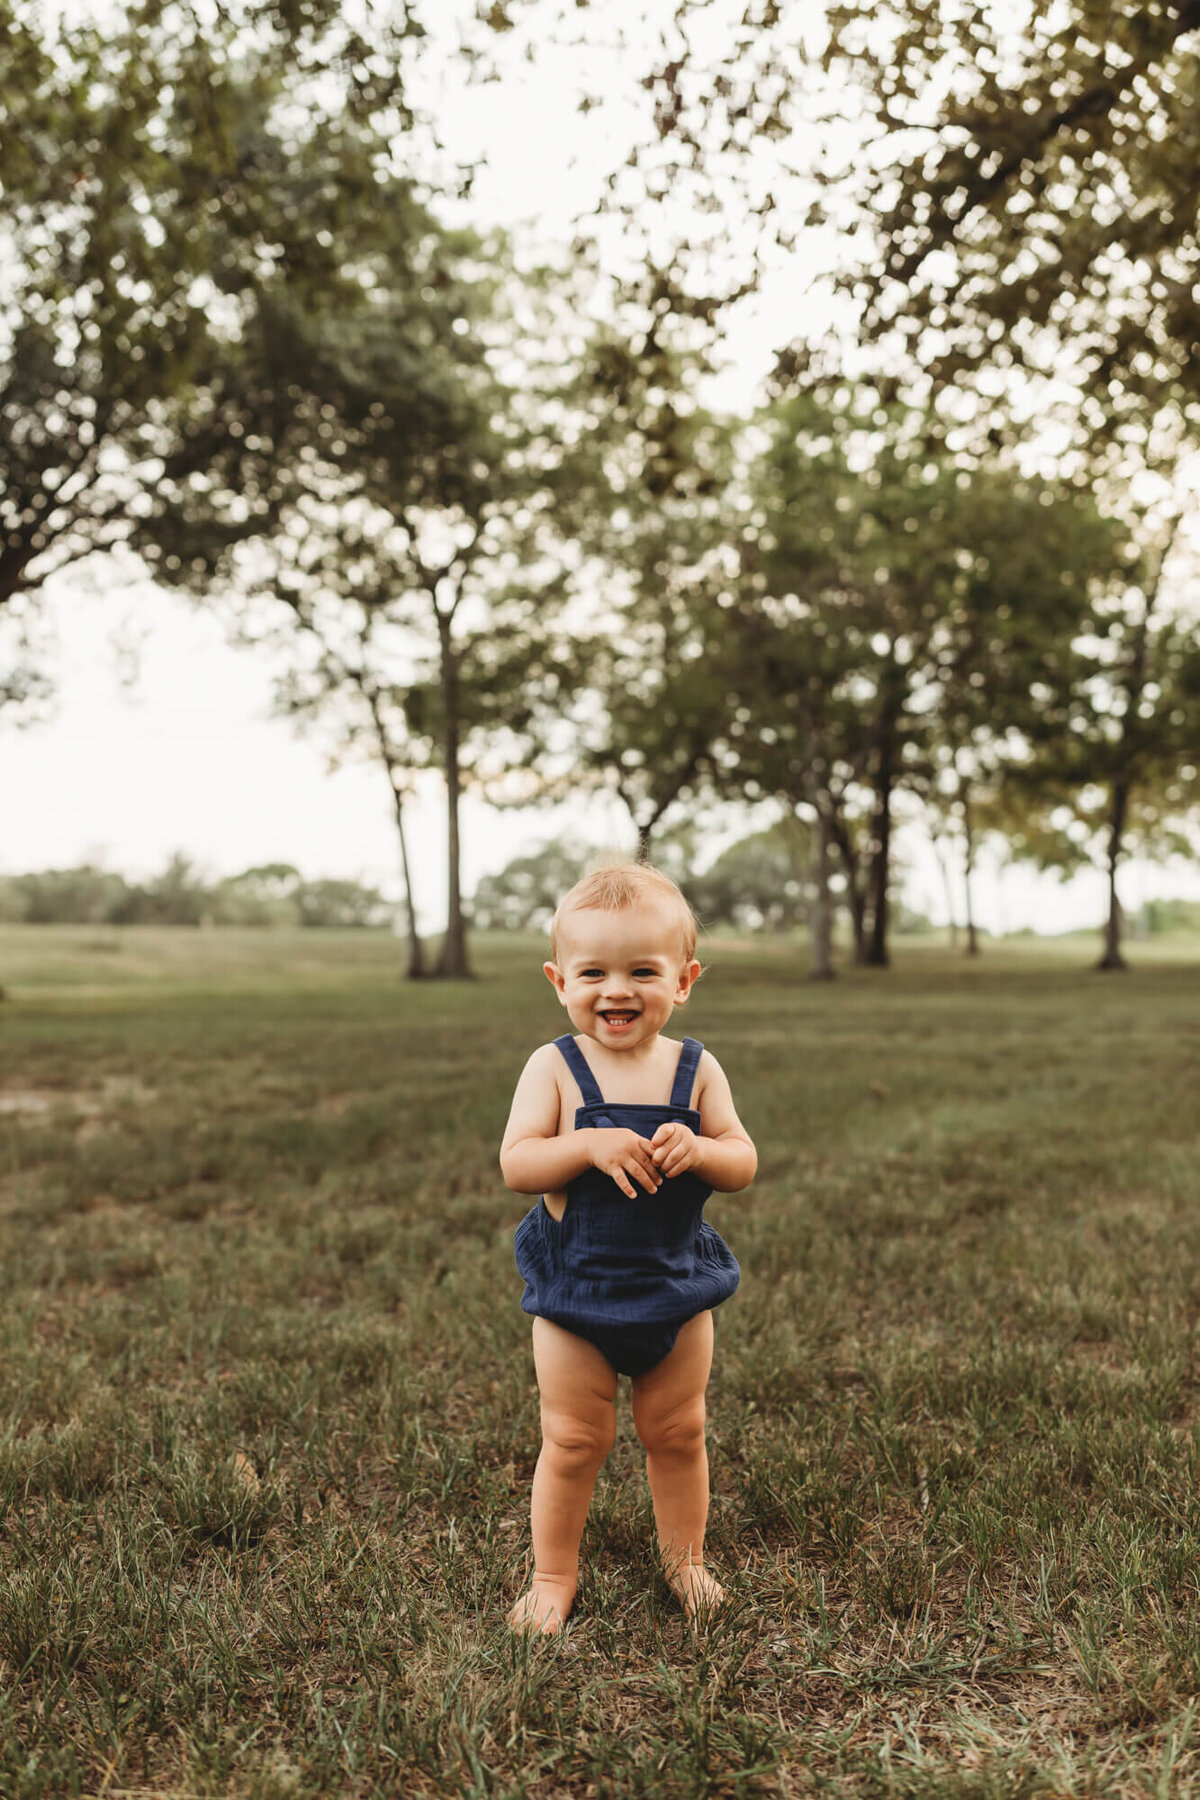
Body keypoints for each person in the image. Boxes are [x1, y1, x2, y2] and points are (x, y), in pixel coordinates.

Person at [499, 859, 757, 1636]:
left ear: (683, 980)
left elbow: (741, 1161)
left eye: (643, 970)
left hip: (675, 1288)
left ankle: (686, 1562)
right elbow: (517, 1164)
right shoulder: (555, 1068)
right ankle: (552, 1576)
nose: (617, 990)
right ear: (559, 980)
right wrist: (585, 1146)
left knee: (677, 1431)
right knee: (575, 1438)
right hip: (577, 1297)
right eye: (594, 972)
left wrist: (702, 1149)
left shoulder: (695, 1068)